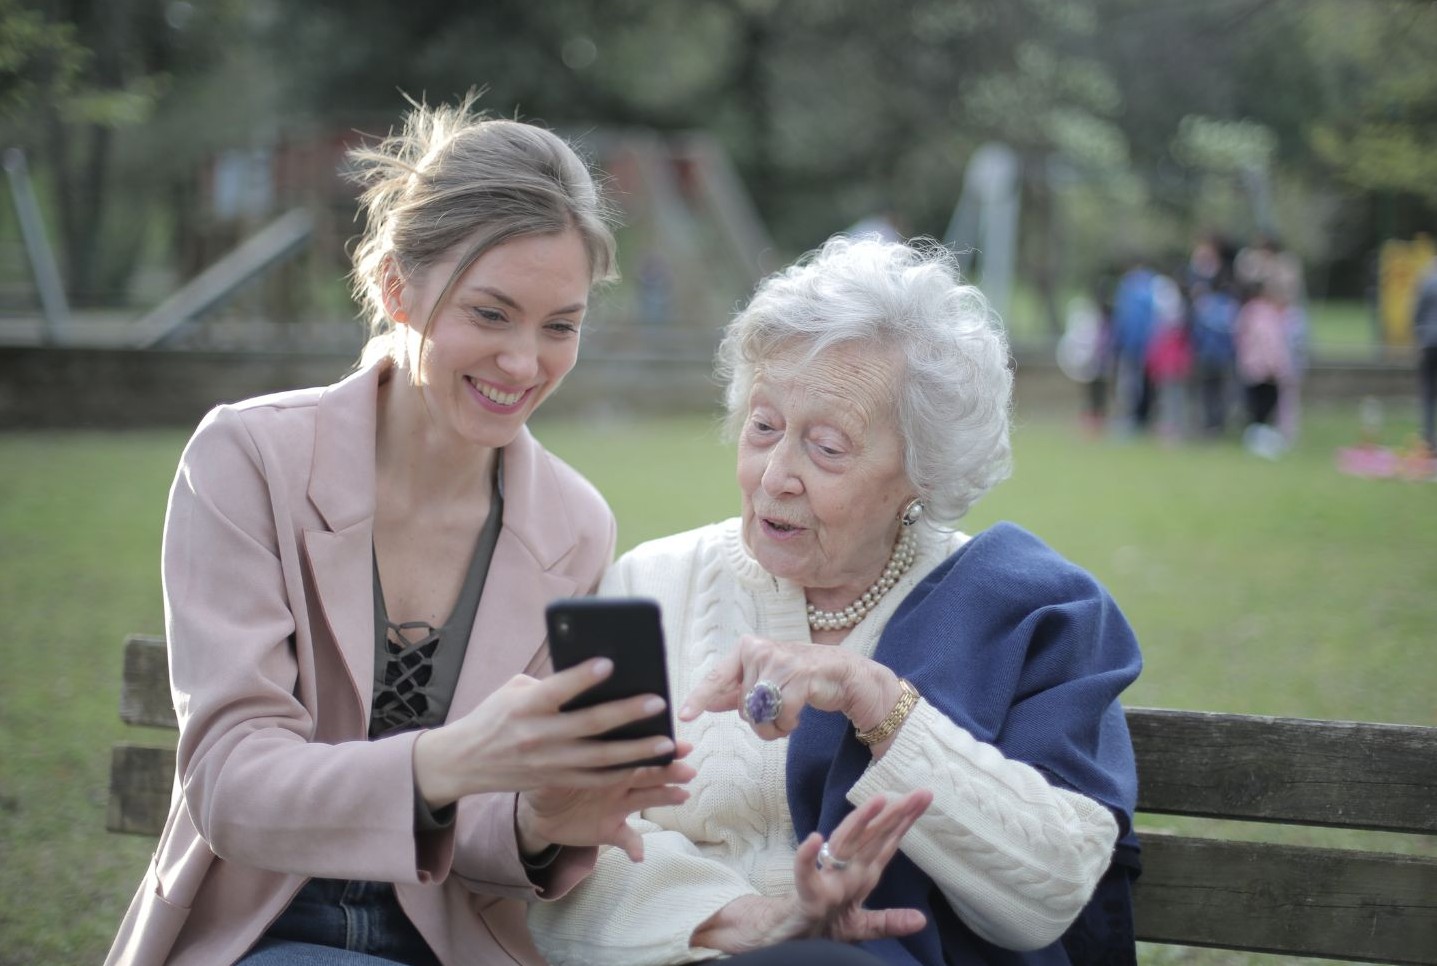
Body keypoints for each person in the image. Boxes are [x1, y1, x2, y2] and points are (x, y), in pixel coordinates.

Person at [106, 97, 696, 966]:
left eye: (559, 326)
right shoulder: (248, 459)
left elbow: (488, 831)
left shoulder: (573, 525)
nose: (524, 363)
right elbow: (231, 784)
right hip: (257, 932)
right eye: (490, 314)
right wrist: (447, 760)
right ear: (396, 287)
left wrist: (539, 817)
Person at [530, 236, 1144, 965]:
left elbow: (1054, 887)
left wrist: (879, 703)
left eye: (826, 446)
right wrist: (744, 919)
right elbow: (563, 850)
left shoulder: (1030, 611)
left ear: (922, 471)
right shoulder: (652, 585)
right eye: (762, 428)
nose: (775, 475)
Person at [1414, 254, 1437, 454]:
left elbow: (1418, 313)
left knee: (1428, 393)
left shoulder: (1427, 282)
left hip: (1428, 342)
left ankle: (1429, 439)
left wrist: (1419, 336)